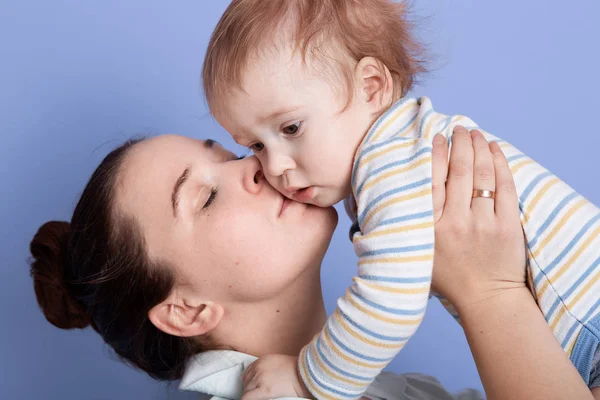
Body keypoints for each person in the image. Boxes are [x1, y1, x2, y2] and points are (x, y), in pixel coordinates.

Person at [200, 0, 600, 398]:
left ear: (371, 88)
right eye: (255, 145)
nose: (275, 166)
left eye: (290, 128)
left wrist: (308, 380)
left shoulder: (388, 158)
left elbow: (391, 297)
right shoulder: (401, 145)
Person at [29, 132, 594, 399]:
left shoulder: (403, 390)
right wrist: (488, 292)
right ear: (186, 310)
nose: (253, 166)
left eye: (226, 157)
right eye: (202, 198)